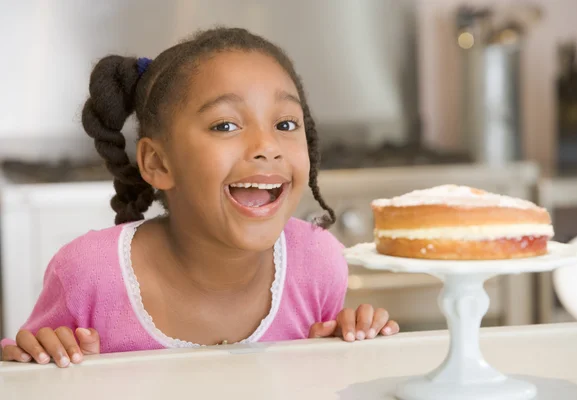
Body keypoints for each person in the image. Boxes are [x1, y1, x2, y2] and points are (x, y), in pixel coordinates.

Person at [1, 27, 399, 368]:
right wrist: (34, 357)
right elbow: (24, 372)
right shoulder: (87, 274)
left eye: (285, 123)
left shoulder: (317, 261)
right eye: (226, 125)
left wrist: (348, 342)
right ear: (157, 162)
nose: (267, 146)